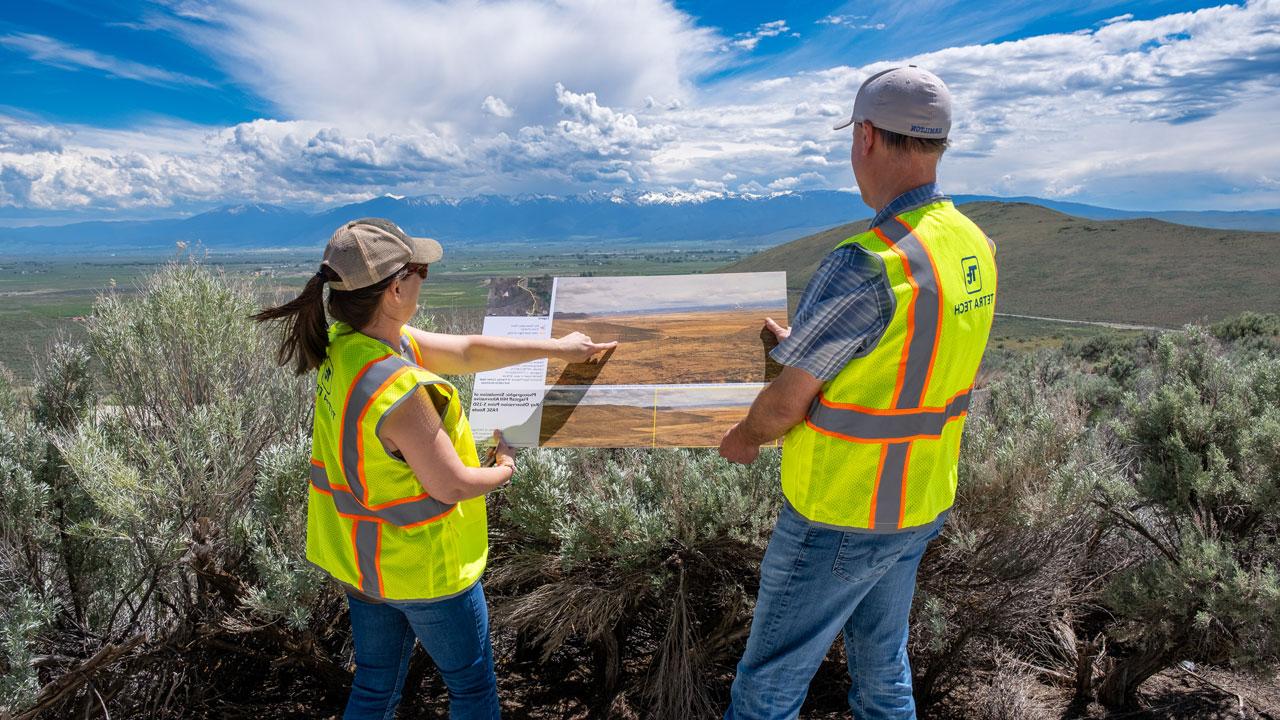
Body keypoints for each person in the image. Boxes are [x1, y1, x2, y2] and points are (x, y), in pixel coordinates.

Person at [718, 67, 998, 719]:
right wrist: (814, 340)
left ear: (865, 137)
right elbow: (911, 356)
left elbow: (785, 406)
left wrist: (744, 437)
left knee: (767, 687)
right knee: (882, 671)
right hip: (918, 502)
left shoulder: (869, 260)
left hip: (841, 508)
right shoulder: (972, 244)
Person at [254, 218, 615, 720]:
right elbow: (453, 483)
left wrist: (559, 348)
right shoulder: (398, 389)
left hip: (364, 564)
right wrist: (506, 465)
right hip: (424, 568)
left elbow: (467, 351)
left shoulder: (349, 345)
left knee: (376, 685)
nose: (425, 278)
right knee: (471, 688)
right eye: (419, 269)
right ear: (396, 289)